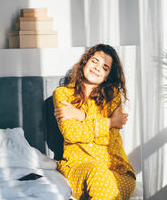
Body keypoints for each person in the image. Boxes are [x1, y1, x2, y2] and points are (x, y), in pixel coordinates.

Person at [53, 44, 136, 200]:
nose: (98, 68)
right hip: (79, 168)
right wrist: (110, 122)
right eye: (94, 61)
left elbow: (110, 139)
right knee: (100, 176)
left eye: (105, 67)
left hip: (116, 169)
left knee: (115, 186)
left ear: (108, 76)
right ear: (85, 62)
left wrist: (81, 115)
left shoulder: (113, 96)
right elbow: (72, 134)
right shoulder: (63, 94)